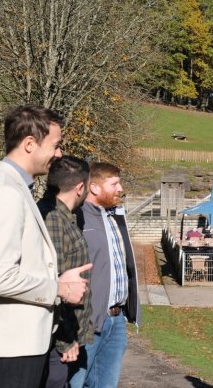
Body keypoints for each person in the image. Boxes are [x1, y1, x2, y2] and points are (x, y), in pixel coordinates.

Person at [0, 105, 91, 388]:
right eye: (55, 145)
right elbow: (1, 278)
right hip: (11, 344)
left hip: (19, 341)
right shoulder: (5, 192)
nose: (59, 154)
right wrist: (59, 288)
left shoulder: (15, 188)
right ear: (30, 144)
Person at [72, 162, 140, 388]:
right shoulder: (77, 219)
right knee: (75, 383)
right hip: (88, 321)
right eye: (114, 184)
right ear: (94, 188)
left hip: (117, 320)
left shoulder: (115, 218)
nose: (120, 188)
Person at [37, 156, 95, 388]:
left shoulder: (66, 217)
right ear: (80, 187)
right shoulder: (52, 219)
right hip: (57, 344)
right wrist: (66, 340)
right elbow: (56, 283)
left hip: (67, 338)